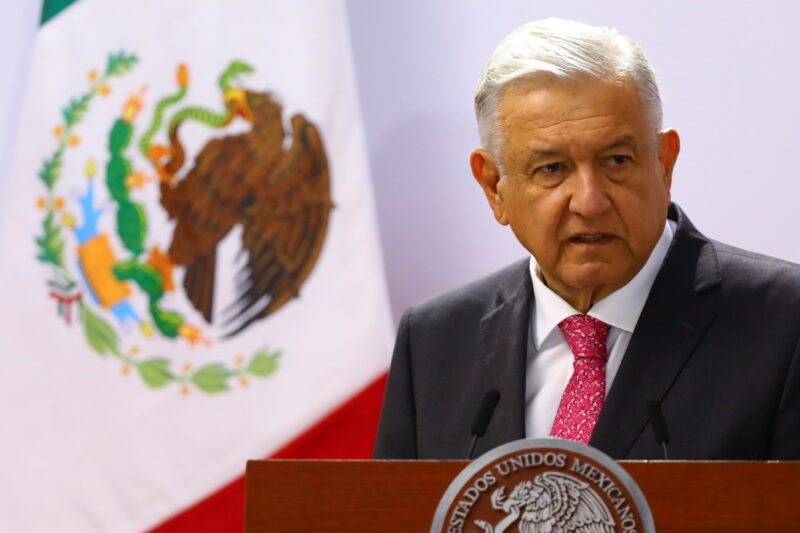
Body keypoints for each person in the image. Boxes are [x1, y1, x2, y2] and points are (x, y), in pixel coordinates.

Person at [373, 18, 800, 460]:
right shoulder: (435, 341)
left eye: (617, 160)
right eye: (552, 169)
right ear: (494, 186)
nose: (590, 202)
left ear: (664, 164)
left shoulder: (785, 323)